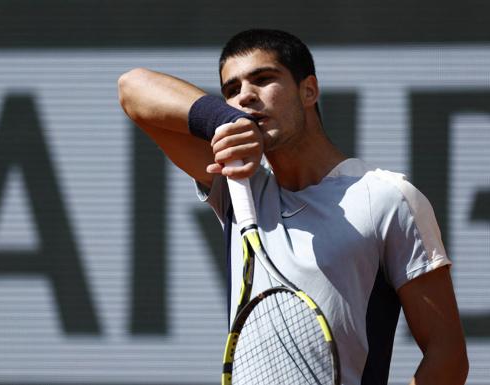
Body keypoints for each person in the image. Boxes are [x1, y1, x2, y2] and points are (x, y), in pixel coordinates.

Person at [118, 29, 468, 385]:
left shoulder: (388, 197)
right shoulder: (238, 185)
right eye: (231, 91)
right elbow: (132, 87)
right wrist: (221, 120)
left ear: (309, 90)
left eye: (263, 79)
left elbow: (448, 358)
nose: (245, 97)